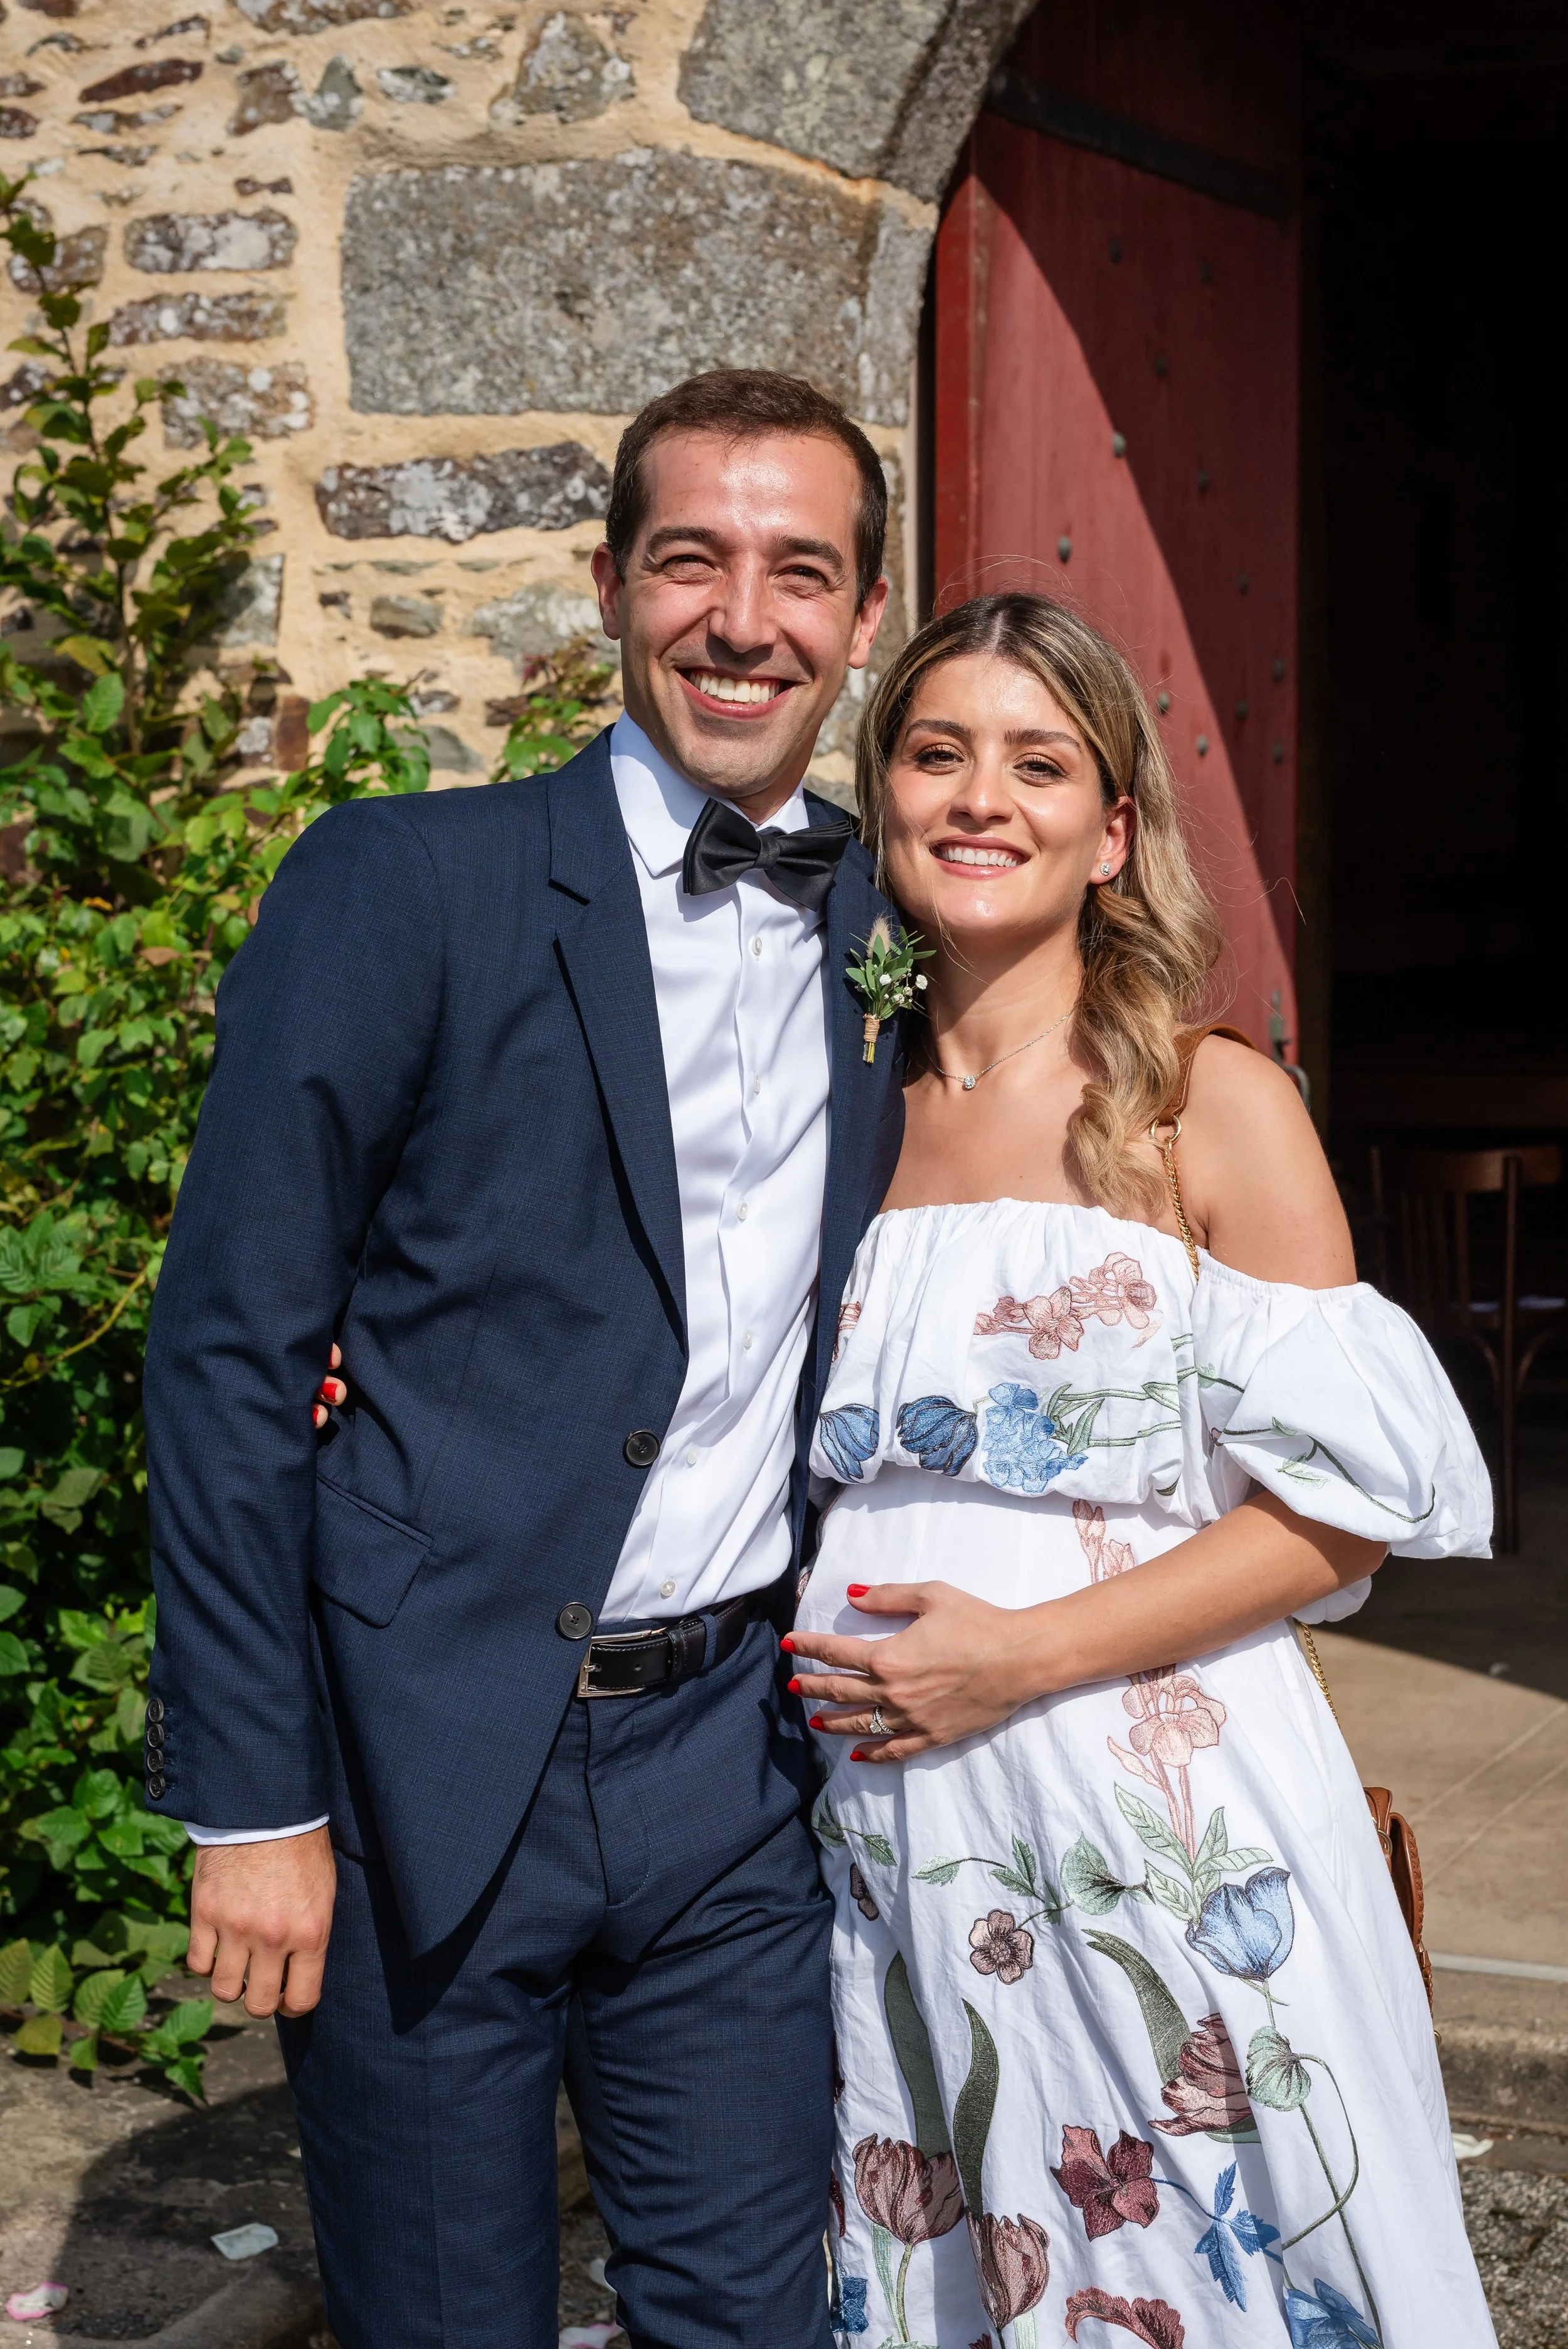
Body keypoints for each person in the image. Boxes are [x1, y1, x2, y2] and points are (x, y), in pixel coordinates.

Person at [140, 369, 904, 2349]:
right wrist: (253, 1799)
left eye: (799, 571)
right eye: (693, 561)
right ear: (606, 586)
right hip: (425, 1759)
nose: (745, 617)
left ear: (863, 613)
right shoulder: (402, 887)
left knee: (755, 2318)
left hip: (737, 1763)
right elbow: (230, 1352)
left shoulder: (903, 926)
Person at [784, 593, 1496, 2348]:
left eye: (1039, 764)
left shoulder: (1204, 1102)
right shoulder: (827, 1105)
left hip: (1152, 1832)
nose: (979, 797)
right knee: (956, 2265)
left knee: (1184, 2271)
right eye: (936, 754)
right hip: (887, 1838)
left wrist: (1014, 1658)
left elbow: (1342, 1517)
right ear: (879, 802)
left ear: (1113, 832)